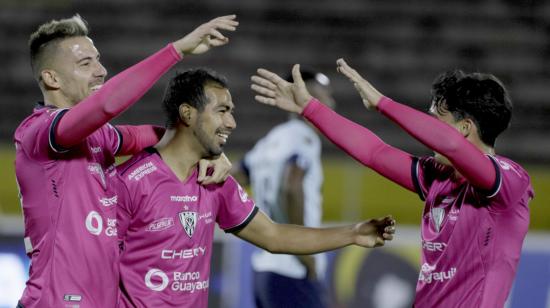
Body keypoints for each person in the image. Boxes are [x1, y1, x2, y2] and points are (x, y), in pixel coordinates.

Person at [251, 61, 534, 307]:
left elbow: (450, 145)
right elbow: (374, 152)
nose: (430, 124)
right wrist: (311, 109)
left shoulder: (509, 181)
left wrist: (382, 104)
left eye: (437, 119)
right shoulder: (438, 177)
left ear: (465, 127)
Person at [115, 68, 396, 308]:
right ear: (187, 113)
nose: (232, 123)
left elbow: (273, 236)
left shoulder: (215, 181)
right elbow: (91, 263)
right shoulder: (130, 181)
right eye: (222, 111)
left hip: (267, 272)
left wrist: (354, 233)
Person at [14, 14, 237, 308]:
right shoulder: (38, 132)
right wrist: (177, 50)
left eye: (98, 60)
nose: (101, 71)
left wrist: (210, 150)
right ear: (51, 78)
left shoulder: (100, 136)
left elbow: (158, 136)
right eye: (86, 64)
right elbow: (107, 104)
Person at [232, 69, 335, 308]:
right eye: (325, 96)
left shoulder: (271, 139)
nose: (332, 103)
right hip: (293, 269)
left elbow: (233, 176)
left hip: (265, 266)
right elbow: (292, 184)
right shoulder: (304, 138)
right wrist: (304, 252)